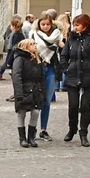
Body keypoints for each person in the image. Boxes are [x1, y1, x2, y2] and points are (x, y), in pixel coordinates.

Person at [60, 14, 90, 147]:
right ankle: (72, 128)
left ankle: (83, 133)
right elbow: (64, 55)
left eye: (77, 25)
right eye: (74, 25)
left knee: (85, 106)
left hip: (89, 75)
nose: (75, 28)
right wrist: (66, 69)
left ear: (85, 25)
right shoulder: (72, 38)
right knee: (73, 105)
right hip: (72, 74)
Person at [28, 13, 64, 141]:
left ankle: (43, 129)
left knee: (46, 101)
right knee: (34, 100)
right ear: (39, 24)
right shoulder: (33, 34)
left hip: (51, 68)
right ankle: (31, 129)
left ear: (51, 24)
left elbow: (63, 50)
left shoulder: (57, 35)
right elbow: (28, 50)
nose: (45, 26)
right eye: (42, 24)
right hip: (37, 68)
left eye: (47, 24)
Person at [11, 38, 45, 148]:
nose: (35, 46)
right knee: (22, 113)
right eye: (32, 44)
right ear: (25, 47)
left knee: (35, 112)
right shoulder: (20, 59)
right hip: (24, 90)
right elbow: (16, 77)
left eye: (35, 43)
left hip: (36, 90)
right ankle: (22, 138)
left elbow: (41, 78)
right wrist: (19, 94)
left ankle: (31, 137)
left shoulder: (37, 59)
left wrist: (42, 91)